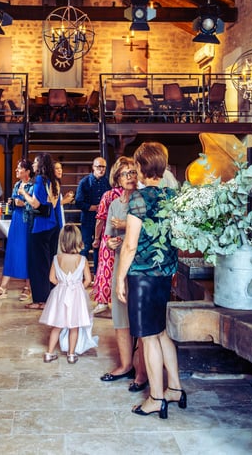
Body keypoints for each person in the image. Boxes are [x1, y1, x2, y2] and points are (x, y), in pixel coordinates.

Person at [116, 142, 184, 420]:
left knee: (148, 337)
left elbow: (130, 245)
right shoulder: (172, 196)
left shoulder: (139, 199)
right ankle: (175, 389)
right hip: (165, 273)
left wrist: (120, 278)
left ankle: (156, 397)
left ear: (142, 168)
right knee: (161, 332)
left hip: (143, 276)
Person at [99, 156, 147, 390]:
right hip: (120, 263)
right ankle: (126, 365)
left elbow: (148, 230)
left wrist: (126, 226)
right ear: (117, 178)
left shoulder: (144, 199)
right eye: (125, 174)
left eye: (133, 172)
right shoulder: (115, 204)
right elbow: (109, 235)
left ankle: (143, 372)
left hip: (140, 264)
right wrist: (110, 243)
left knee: (141, 319)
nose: (130, 177)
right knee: (120, 316)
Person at [39, 224, 93, 364]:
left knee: (57, 325)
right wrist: (77, 287)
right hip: (76, 295)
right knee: (74, 326)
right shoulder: (82, 260)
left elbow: (51, 278)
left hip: (60, 294)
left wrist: (63, 285)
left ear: (61, 241)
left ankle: (49, 353)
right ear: (78, 240)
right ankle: (71, 354)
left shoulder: (56, 258)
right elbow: (88, 280)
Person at [0, 158, 32, 302]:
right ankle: (3, 287)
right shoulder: (17, 184)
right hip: (16, 221)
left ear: (27, 171)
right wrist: (12, 203)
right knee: (11, 252)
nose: (16, 170)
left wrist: (22, 203)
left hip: (27, 222)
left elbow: (36, 205)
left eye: (19, 168)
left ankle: (28, 286)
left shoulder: (33, 185)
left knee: (27, 253)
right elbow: (15, 202)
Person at [20, 153, 59, 310]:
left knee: (38, 265)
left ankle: (40, 301)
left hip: (40, 226)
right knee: (49, 263)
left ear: (41, 164)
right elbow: (54, 204)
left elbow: (35, 204)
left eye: (36, 162)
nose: (33, 164)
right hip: (53, 225)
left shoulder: (39, 180)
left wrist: (24, 194)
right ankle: (50, 298)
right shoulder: (53, 181)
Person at [90, 157, 128, 315]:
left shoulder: (108, 195)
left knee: (106, 268)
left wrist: (96, 238)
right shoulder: (134, 195)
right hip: (128, 236)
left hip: (109, 236)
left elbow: (100, 220)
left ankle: (103, 302)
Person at [74, 156, 111, 272]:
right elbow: (78, 202)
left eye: (103, 167)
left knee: (99, 249)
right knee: (85, 247)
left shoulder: (107, 183)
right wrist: (94, 207)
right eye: (99, 166)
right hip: (88, 220)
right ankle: (80, 274)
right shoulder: (84, 182)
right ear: (93, 167)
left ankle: (97, 275)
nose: (101, 169)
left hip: (103, 221)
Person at [53, 162, 75, 227]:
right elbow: (52, 203)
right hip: (54, 214)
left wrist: (65, 197)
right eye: (57, 168)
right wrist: (65, 201)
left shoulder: (56, 182)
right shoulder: (52, 184)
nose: (59, 170)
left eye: (60, 168)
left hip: (58, 212)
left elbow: (56, 200)